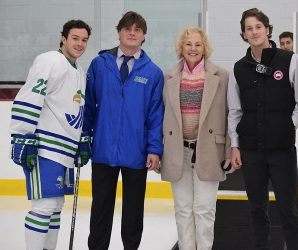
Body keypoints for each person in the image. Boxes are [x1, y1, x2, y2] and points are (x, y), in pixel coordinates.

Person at [228, 8, 298, 250]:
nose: (254, 32)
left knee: (288, 210)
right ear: (243, 33)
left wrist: (287, 125)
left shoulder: (291, 61)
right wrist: (235, 145)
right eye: (249, 28)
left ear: (267, 29)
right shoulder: (239, 68)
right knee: (256, 209)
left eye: (258, 27)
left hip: (281, 149)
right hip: (251, 151)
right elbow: (235, 111)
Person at [84, 11, 164, 250]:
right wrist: (84, 139)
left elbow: (156, 115)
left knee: (133, 211)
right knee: (100, 208)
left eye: (137, 30)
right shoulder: (99, 64)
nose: (132, 33)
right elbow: (88, 105)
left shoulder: (153, 72)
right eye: (128, 28)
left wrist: (154, 149)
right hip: (103, 150)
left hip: (136, 152)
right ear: (119, 31)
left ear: (144, 36)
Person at [9, 19, 91, 250]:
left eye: (84, 40)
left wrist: (81, 139)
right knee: (43, 206)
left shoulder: (79, 71)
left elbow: (76, 109)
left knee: (55, 205)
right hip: (44, 146)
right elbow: (29, 96)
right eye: (75, 38)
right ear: (63, 38)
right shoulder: (49, 61)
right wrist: (22, 136)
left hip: (64, 150)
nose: (79, 43)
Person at [161, 26, 231, 250]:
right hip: (178, 151)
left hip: (209, 151)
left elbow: (230, 114)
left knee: (204, 210)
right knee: (182, 210)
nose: (193, 48)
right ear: (181, 47)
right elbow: (162, 114)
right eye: (188, 44)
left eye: (198, 44)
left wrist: (230, 150)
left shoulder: (221, 76)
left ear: (205, 48)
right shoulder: (169, 76)